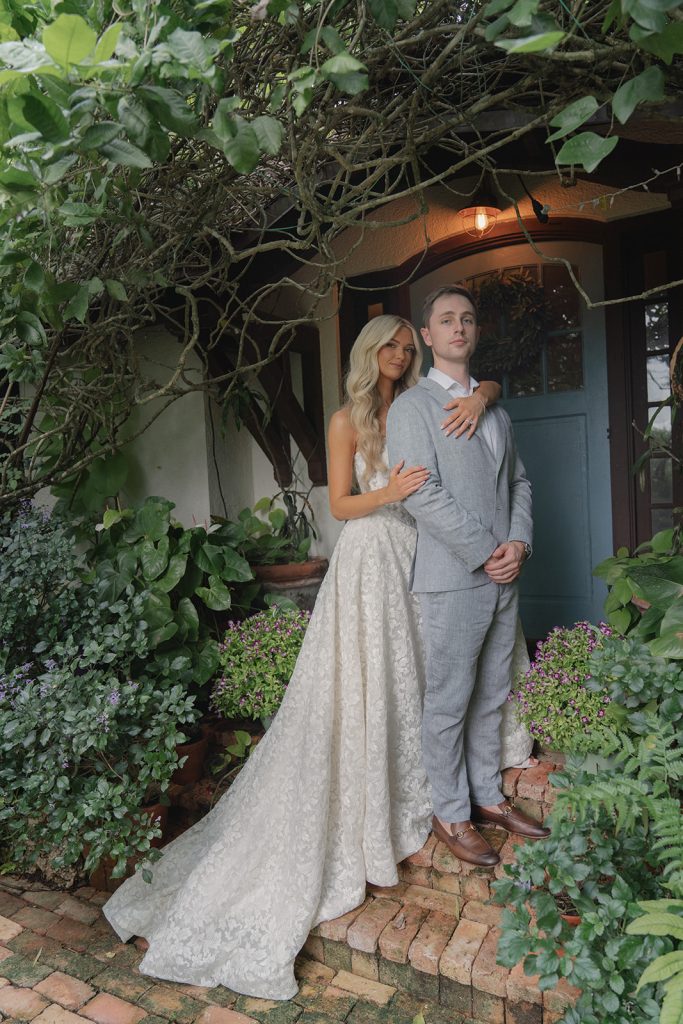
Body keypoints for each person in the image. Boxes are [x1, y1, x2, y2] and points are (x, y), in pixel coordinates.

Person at [103, 314, 531, 1000]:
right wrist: (391, 492)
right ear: (368, 353)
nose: (396, 354)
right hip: (370, 555)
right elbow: (338, 502)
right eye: (385, 346)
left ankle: (446, 782)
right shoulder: (344, 419)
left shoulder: (431, 404)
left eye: (403, 345)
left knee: (426, 677)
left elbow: (483, 404)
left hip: (425, 556)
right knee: (371, 680)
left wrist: (483, 393)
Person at [387, 287, 550, 870]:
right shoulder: (410, 409)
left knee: (491, 696)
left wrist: (520, 544)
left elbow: (520, 484)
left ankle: (486, 797)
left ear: (475, 332)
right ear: (427, 337)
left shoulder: (496, 410)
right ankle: (450, 810)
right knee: (450, 701)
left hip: (505, 574)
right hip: (453, 576)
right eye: (446, 320)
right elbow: (420, 496)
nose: (459, 327)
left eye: (468, 319)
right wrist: (486, 550)